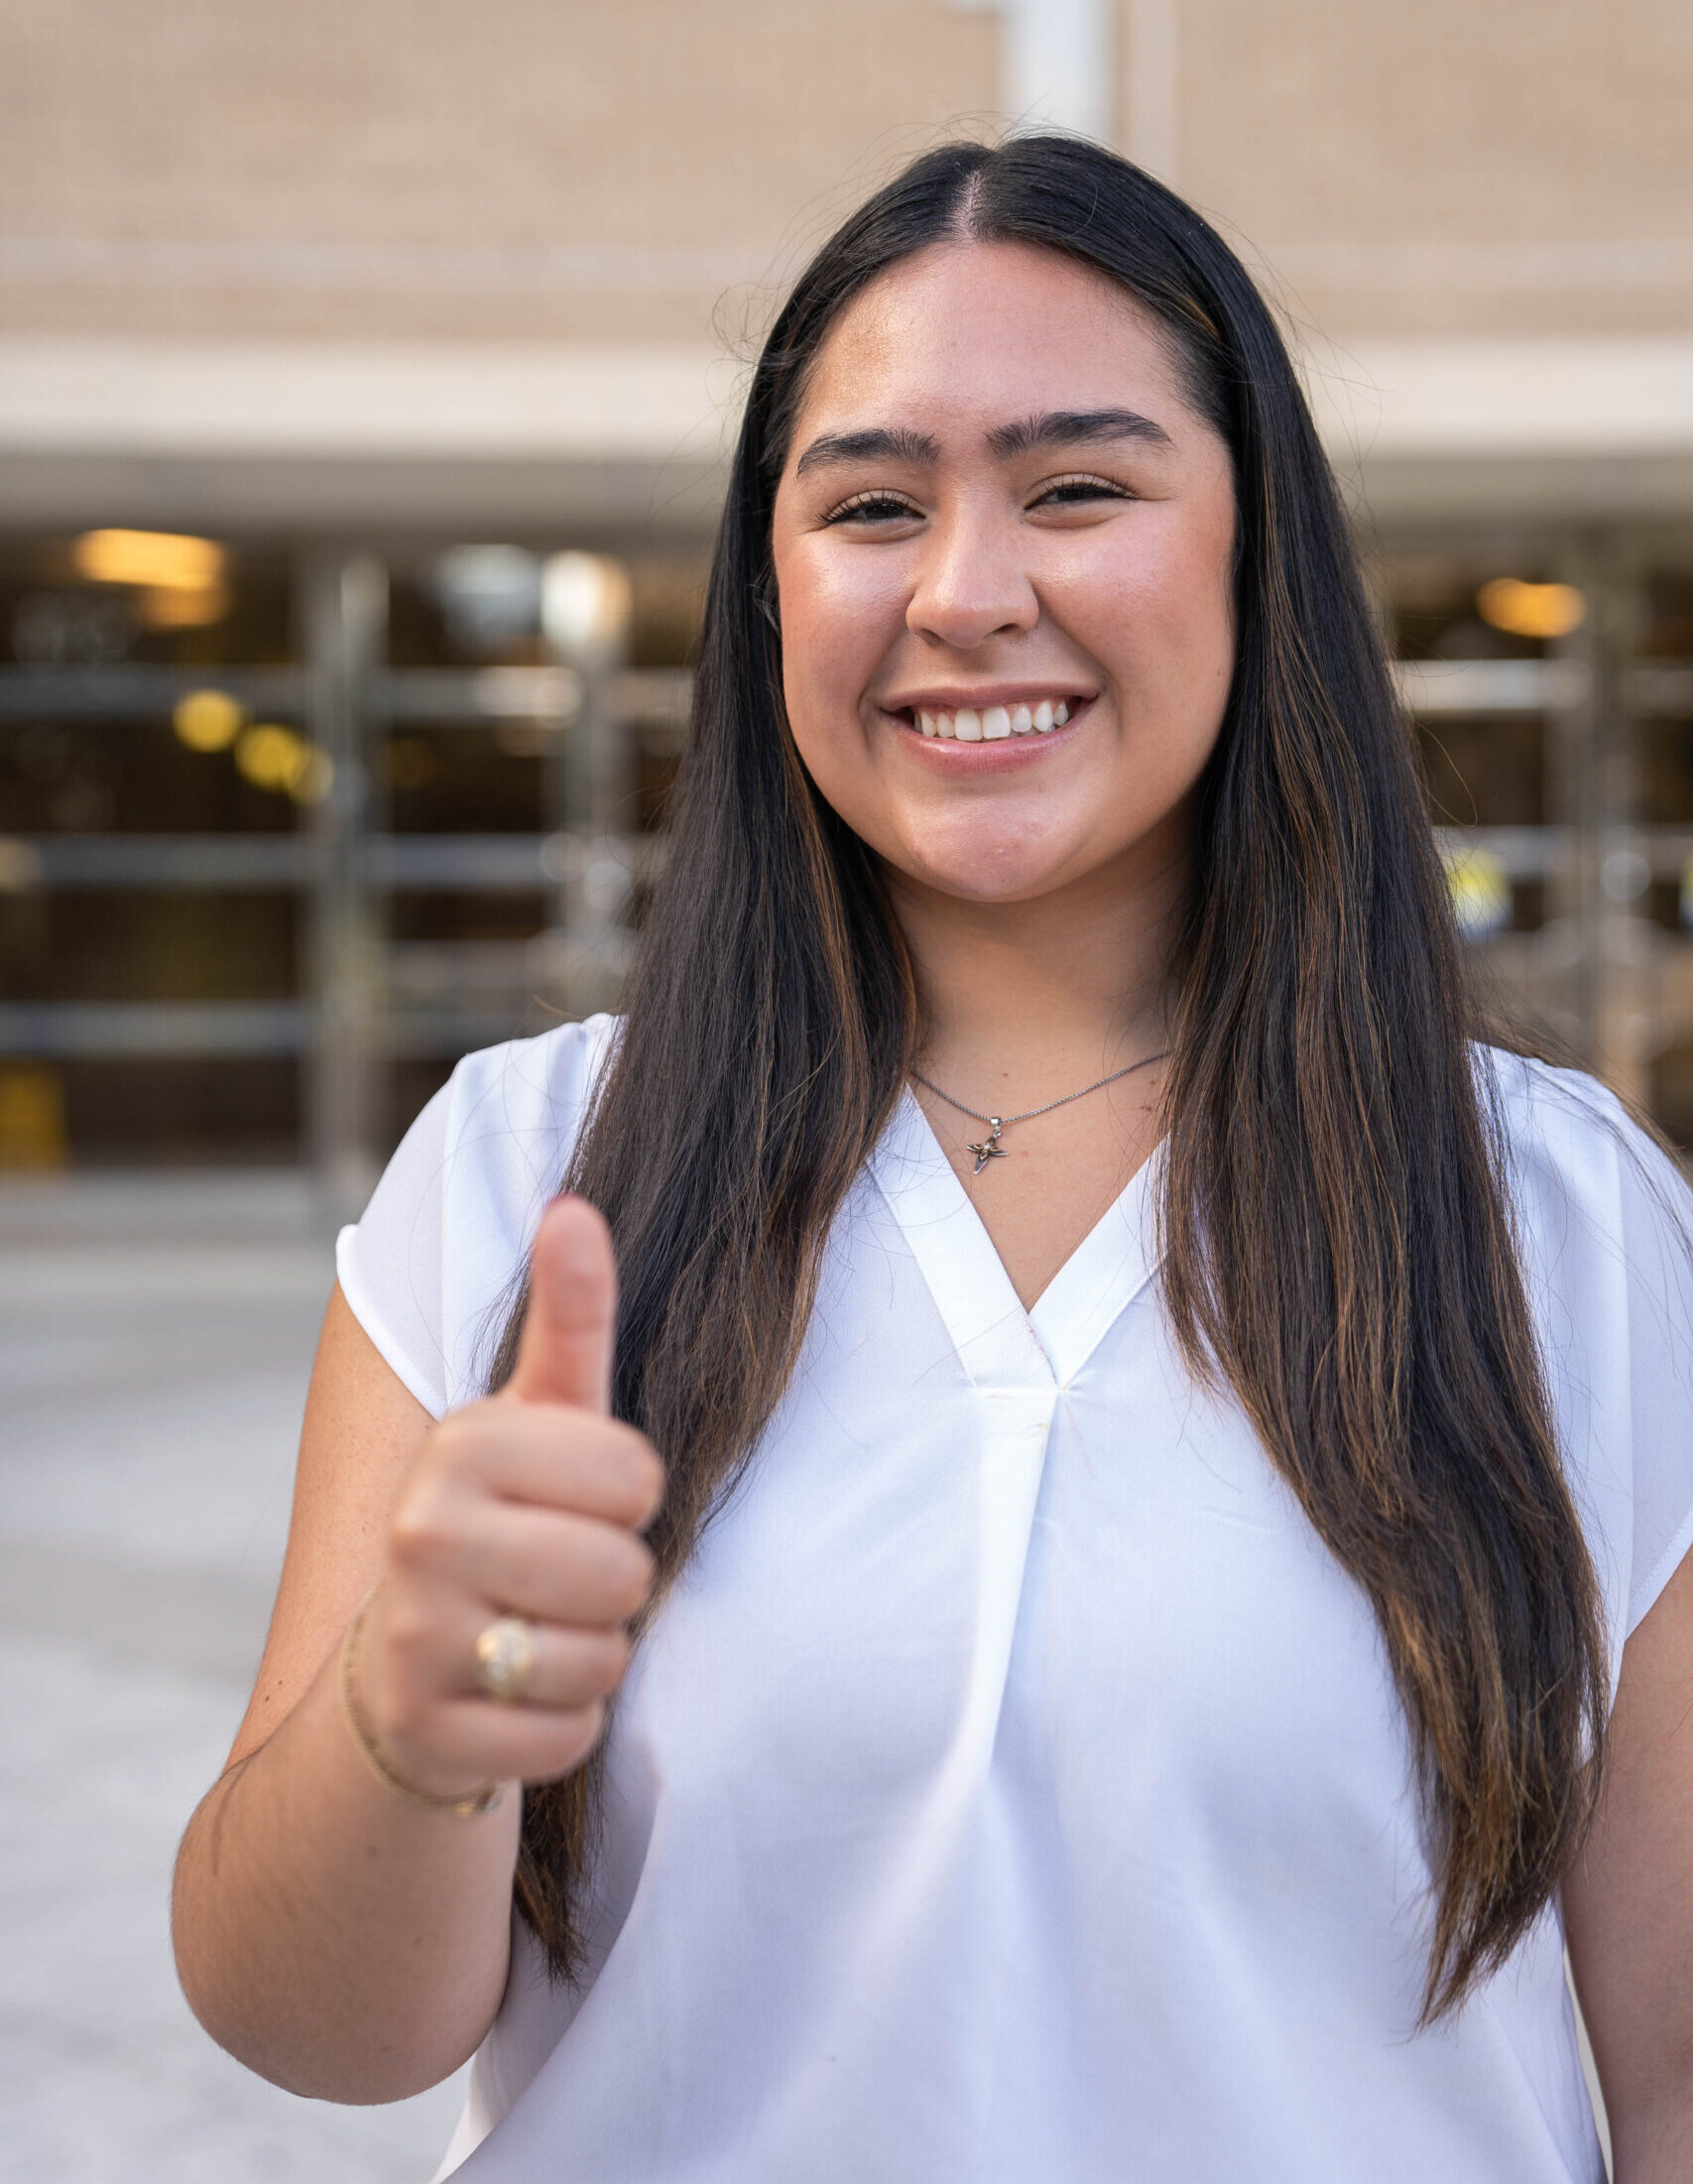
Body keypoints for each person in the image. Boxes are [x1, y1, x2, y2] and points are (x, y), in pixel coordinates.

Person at [172, 137, 1693, 2182]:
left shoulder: (1560, 1223)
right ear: (770, 583)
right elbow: (305, 2032)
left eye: (1077, 486)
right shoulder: (529, 1172)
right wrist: (408, 1726)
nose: (966, 593)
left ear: (1256, 557)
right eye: (871, 504)